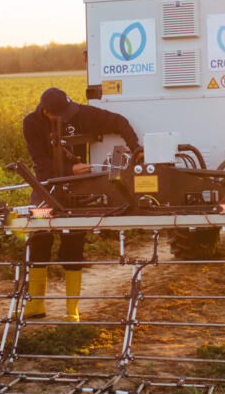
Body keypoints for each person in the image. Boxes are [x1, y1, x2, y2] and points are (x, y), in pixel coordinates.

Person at [21, 87, 140, 321]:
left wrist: (136, 151)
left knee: (73, 245)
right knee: (39, 241)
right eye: (61, 115)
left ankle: (71, 310)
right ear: (46, 112)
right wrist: (70, 169)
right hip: (45, 189)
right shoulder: (32, 123)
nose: (68, 117)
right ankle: (35, 306)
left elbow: (119, 122)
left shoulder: (81, 114)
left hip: (78, 192)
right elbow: (40, 163)